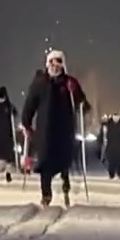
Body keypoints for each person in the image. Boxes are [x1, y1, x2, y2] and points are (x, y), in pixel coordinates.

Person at [21, 49, 91, 207]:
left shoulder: (69, 82)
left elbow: (83, 104)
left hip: (65, 128)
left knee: (63, 160)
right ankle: (46, 194)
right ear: (47, 64)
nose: (55, 65)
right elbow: (30, 103)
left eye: (58, 62)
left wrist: (78, 99)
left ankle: (66, 185)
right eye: (52, 62)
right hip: (45, 129)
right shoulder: (40, 83)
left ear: (62, 64)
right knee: (45, 161)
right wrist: (26, 122)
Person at [0, 86, 19, 183]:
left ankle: (4, 173)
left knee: (4, 155)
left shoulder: (6, 106)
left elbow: (15, 113)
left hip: (3, 133)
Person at [102, 115, 120, 179]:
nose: (116, 118)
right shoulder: (108, 123)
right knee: (111, 160)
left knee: (119, 160)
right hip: (111, 144)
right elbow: (105, 134)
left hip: (119, 144)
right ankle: (112, 174)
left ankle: (119, 174)